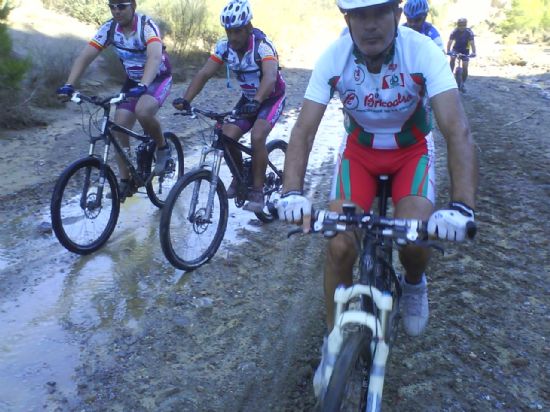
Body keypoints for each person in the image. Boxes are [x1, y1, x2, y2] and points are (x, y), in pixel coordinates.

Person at [276, 0, 478, 398]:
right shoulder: (333, 58)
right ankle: (332, 342)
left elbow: (458, 131)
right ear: (346, 19)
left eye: (379, 13)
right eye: (359, 16)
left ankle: (415, 283)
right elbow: (302, 131)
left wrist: (461, 206)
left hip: (410, 153)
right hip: (360, 154)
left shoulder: (423, 51)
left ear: (397, 14)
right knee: (338, 244)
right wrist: (291, 193)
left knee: (414, 237)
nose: (370, 26)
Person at [173, 0, 286, 213]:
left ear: (248, 28)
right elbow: (204, 73)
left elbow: (270, 77)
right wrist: (186, 99)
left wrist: (257, 101)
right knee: (227, 135)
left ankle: (258, 191)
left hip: (271, 98)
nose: (232, 37)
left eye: (237, 31)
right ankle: (240, 175)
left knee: (258, 136)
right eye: (228, 31)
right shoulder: (224, 47)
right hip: (249, 99)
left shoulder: (262, 46)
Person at [56, 0, 173, 199]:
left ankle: (163, 147)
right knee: (118, 125)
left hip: (156, 78)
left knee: (143, 111)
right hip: (133, 80)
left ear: (133, 6)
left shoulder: (146, 26)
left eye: (122, 6)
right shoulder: (109, 28)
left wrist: (144, 85)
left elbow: (154, 58)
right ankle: (126, 181)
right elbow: (85, 57)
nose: (116, 11)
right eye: (112, 6)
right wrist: (69, 85)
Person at [447, 18, 477, 90]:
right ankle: (449, 75)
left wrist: (473, 52)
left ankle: (462, 83)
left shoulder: (469, 32)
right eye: (460, 25)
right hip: (456, 49)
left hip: (465, 51)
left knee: (465, 66)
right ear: (457, 25)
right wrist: (448, 51)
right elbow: (450, 42)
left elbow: (472, 43)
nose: (462, 27)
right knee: (452, 59)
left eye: (464, 25)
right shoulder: (454, 31)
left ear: (466, 25)